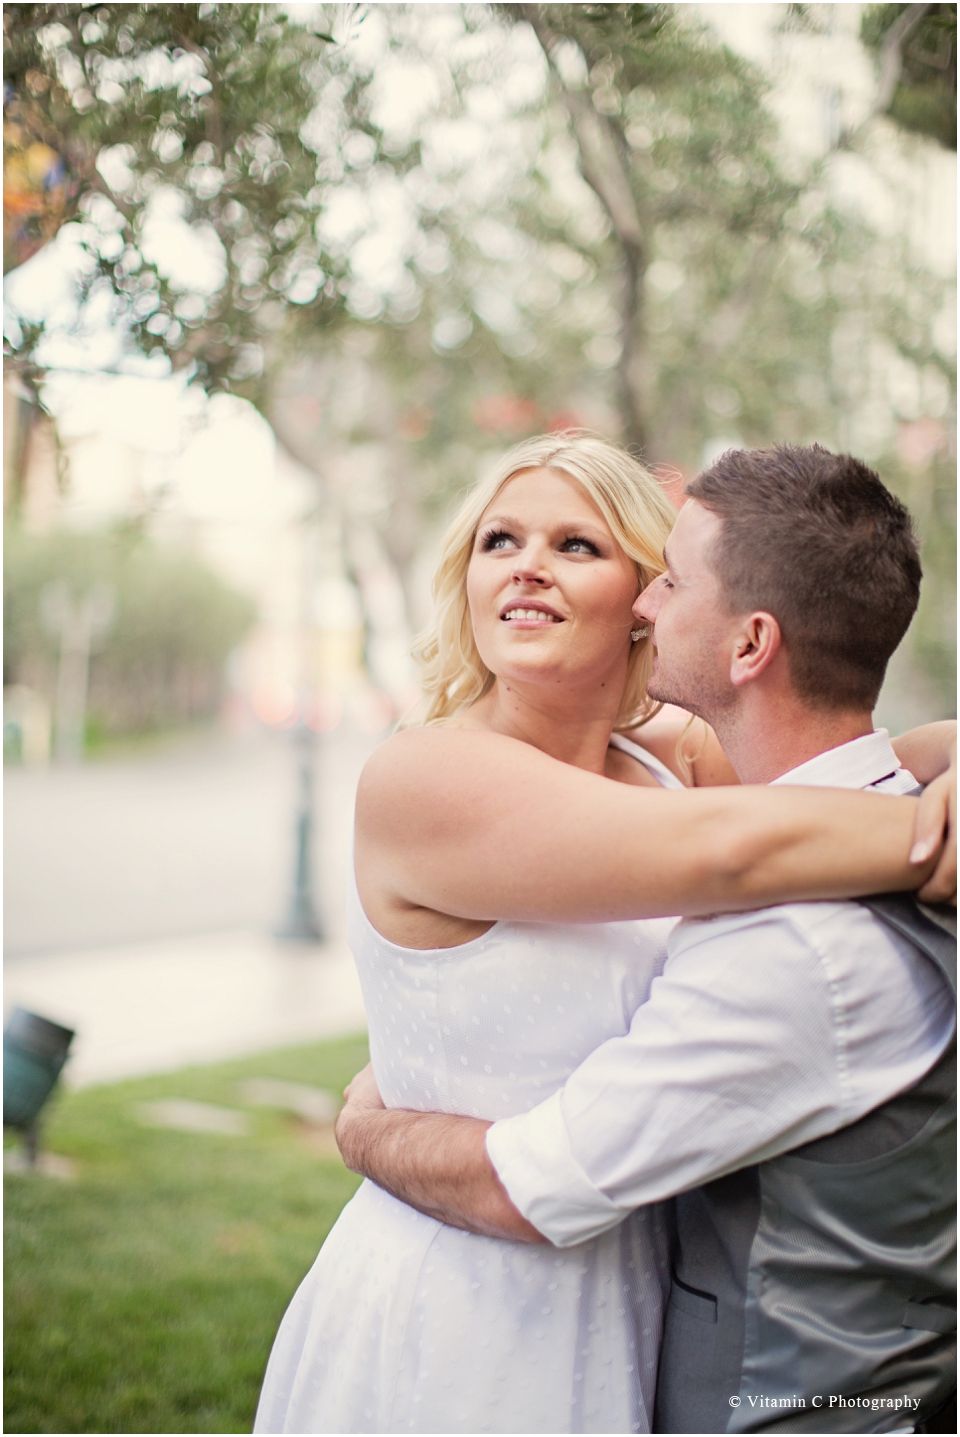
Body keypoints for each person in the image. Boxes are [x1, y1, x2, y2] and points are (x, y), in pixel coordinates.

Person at [256, 434, 954, 1435]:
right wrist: (928, 834)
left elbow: (847, 756)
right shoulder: (425, 779)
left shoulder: (672, 756)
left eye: (576, 544)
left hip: (629, 1292)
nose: (527, 563)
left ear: (644, 597)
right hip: (461, 1282)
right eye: (500, 539)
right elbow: (731, 852)